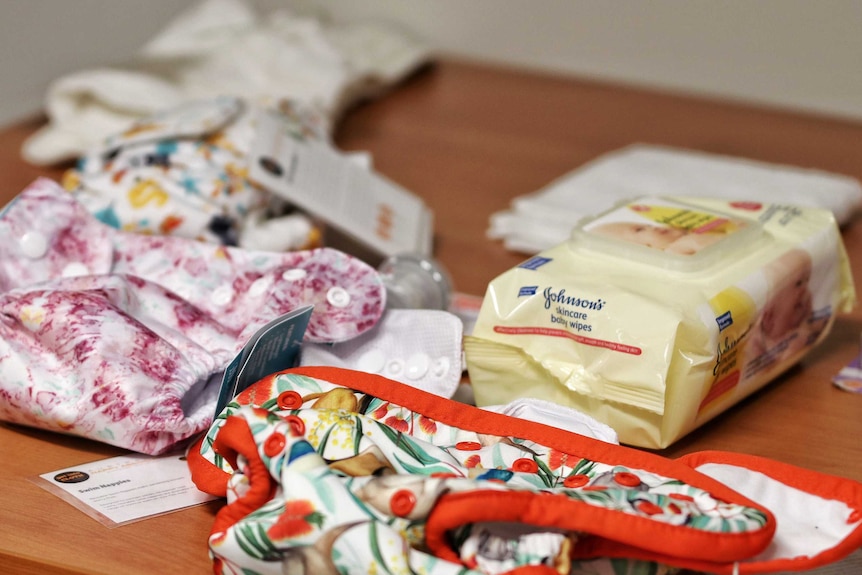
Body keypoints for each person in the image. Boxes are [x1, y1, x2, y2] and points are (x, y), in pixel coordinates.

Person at [589, 221, 726, 255]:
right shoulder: (674, 251)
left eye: (648, 225)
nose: (653, 227)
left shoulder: (690, 234)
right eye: (640, 229)